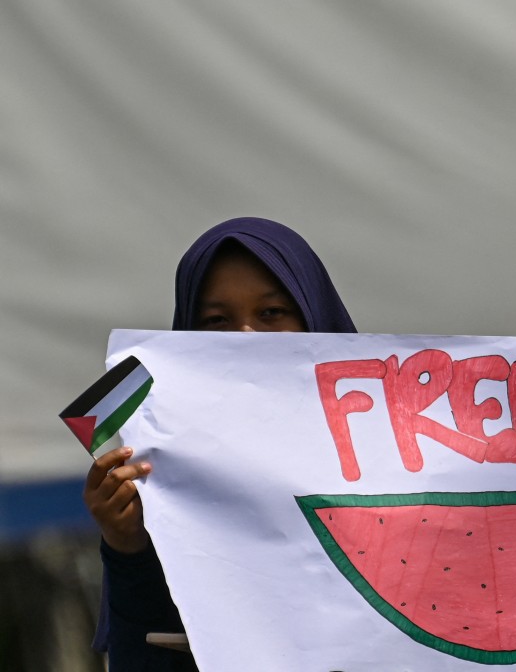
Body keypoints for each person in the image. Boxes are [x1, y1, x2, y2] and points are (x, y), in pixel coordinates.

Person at [82, 217, 357, 671]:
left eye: (271, 313)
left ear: (314, 316)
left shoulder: (406, 465)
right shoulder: (157, 483)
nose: (245, 335)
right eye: (217, 320)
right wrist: (126, 545)